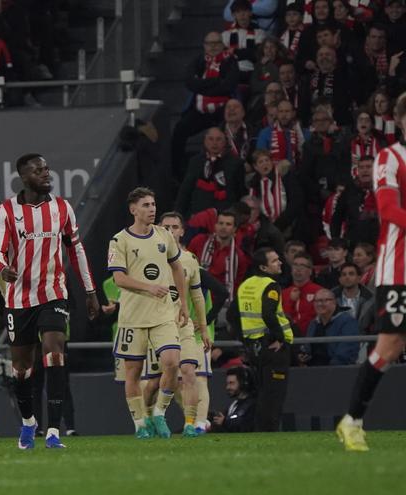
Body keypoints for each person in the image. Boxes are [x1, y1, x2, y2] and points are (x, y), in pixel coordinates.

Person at [0, 153, 100, 449]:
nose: (46, 174)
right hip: (19, 298)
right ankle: (29, 422)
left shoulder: (62, 208)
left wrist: (90, 292)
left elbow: (76, 250)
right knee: (22, 368)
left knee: (55, 353)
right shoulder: (8, 210)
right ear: (24, 177)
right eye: (38, 171)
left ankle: (53, 431)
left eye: (47, 169)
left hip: (53, 293)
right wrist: (3, 268)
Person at [337, 93, 406, 451]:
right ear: (400, 121)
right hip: (399, 266)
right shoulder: (389, 157)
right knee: (391, 345)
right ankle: (352, 420)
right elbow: (389, 210)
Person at [109, 188, 189, 440]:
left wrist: (183, 302)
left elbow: (177, 267)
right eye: (146, 205)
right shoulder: (119, 240)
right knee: (133, 372)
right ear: (133, 209)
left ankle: (159, 412)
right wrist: (149, 287)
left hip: (163, 314)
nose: (152, 209)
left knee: (172, 362)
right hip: (133, 317)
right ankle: (139, 424)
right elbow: (119, 278)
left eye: (153, 204)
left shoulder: (164, 235)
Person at [228, 247, 293, 432]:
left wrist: (245, 340)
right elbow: (268, 313)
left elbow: (232, 315)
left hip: (254, 348)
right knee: (274, 394)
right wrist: (280, 338)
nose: (280, 262)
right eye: (274, 261)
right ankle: (268, 432)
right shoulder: (270, 285)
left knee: (261, 391)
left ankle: (259, 430)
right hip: (272, 347)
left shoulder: (245, 285)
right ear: (264, 268)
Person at [157, 212, 211, 437]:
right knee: (163, 378)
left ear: (181, 231)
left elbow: (197, 295)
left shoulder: (190, 259)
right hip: (157, 325)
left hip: (183, 324)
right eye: (166, 227)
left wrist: (204, 328)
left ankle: (191, 424)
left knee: (189, 372)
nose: (170, 231)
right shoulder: (150, 258)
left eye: (174, 227)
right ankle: (155, 416)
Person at [170, 31, 238, 179]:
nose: (213, 46)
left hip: (222, 110)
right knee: (180, 129)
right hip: (199, 110)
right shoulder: (198, 61)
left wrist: (202, 86)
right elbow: (190, 82)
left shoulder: (230, 61)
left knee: (230, 131)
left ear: (222, 45)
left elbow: (228, 86)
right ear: (204, 46)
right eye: (209, 43)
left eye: (216, 43)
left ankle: (224, 171)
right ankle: (177, 173)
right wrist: (215, 81)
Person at [188, 210, 249, 296]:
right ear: (215, 226)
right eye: (220, 223)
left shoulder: (239, 256)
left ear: (234, 229)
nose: (223, 227)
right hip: (195, 295)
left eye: (228, 224)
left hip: (221, 300)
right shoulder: (199, 241)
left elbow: (237, 284)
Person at [303, 288, 359, 366]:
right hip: (311, 369)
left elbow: (346, 353)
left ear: (334, 302)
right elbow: (307, 349)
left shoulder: (348, 322)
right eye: (317, 301)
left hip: (337, 369)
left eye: (325, 300)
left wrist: (330, 369)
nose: (320, 304)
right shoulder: (313, 323)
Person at [283, 253, 324, 336]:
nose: (298, 269)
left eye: (302, 266)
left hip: (313, 338)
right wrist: (291, 301)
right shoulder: (284, 293)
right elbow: (283, 317)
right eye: (295, 265)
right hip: (289, 338)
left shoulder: (319, 292)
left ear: (310, 271)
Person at [211, 367, 256, 433]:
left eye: (231, 383)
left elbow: (246, 426)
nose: (228, 387)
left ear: (243, 383)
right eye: (227, 383)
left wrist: (224, 422)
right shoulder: (234, 404)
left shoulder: (253, 405)